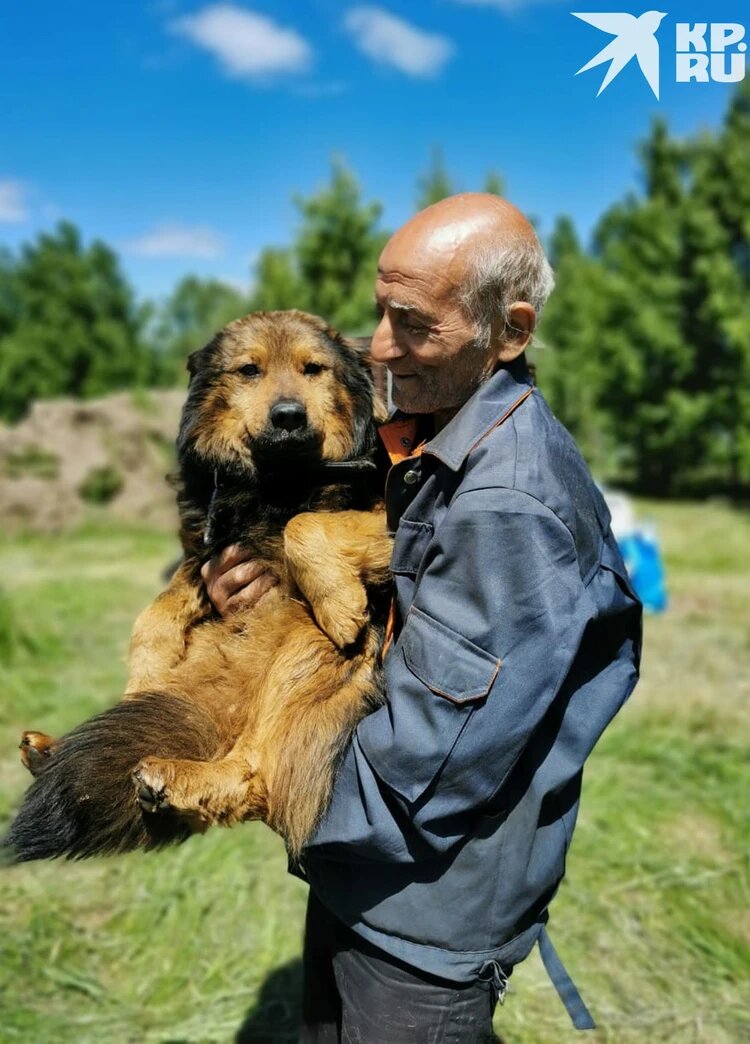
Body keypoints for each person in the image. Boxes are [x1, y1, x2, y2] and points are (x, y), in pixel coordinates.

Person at [203, 194, 642, 1042]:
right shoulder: (433, 437)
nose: (376, 346)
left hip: (424, 917)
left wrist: (251, 781)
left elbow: (427, 765)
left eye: (412, 324)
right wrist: (258, 597)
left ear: (509, 331)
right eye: (379, 312)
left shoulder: (508, 501)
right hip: (362, 874)